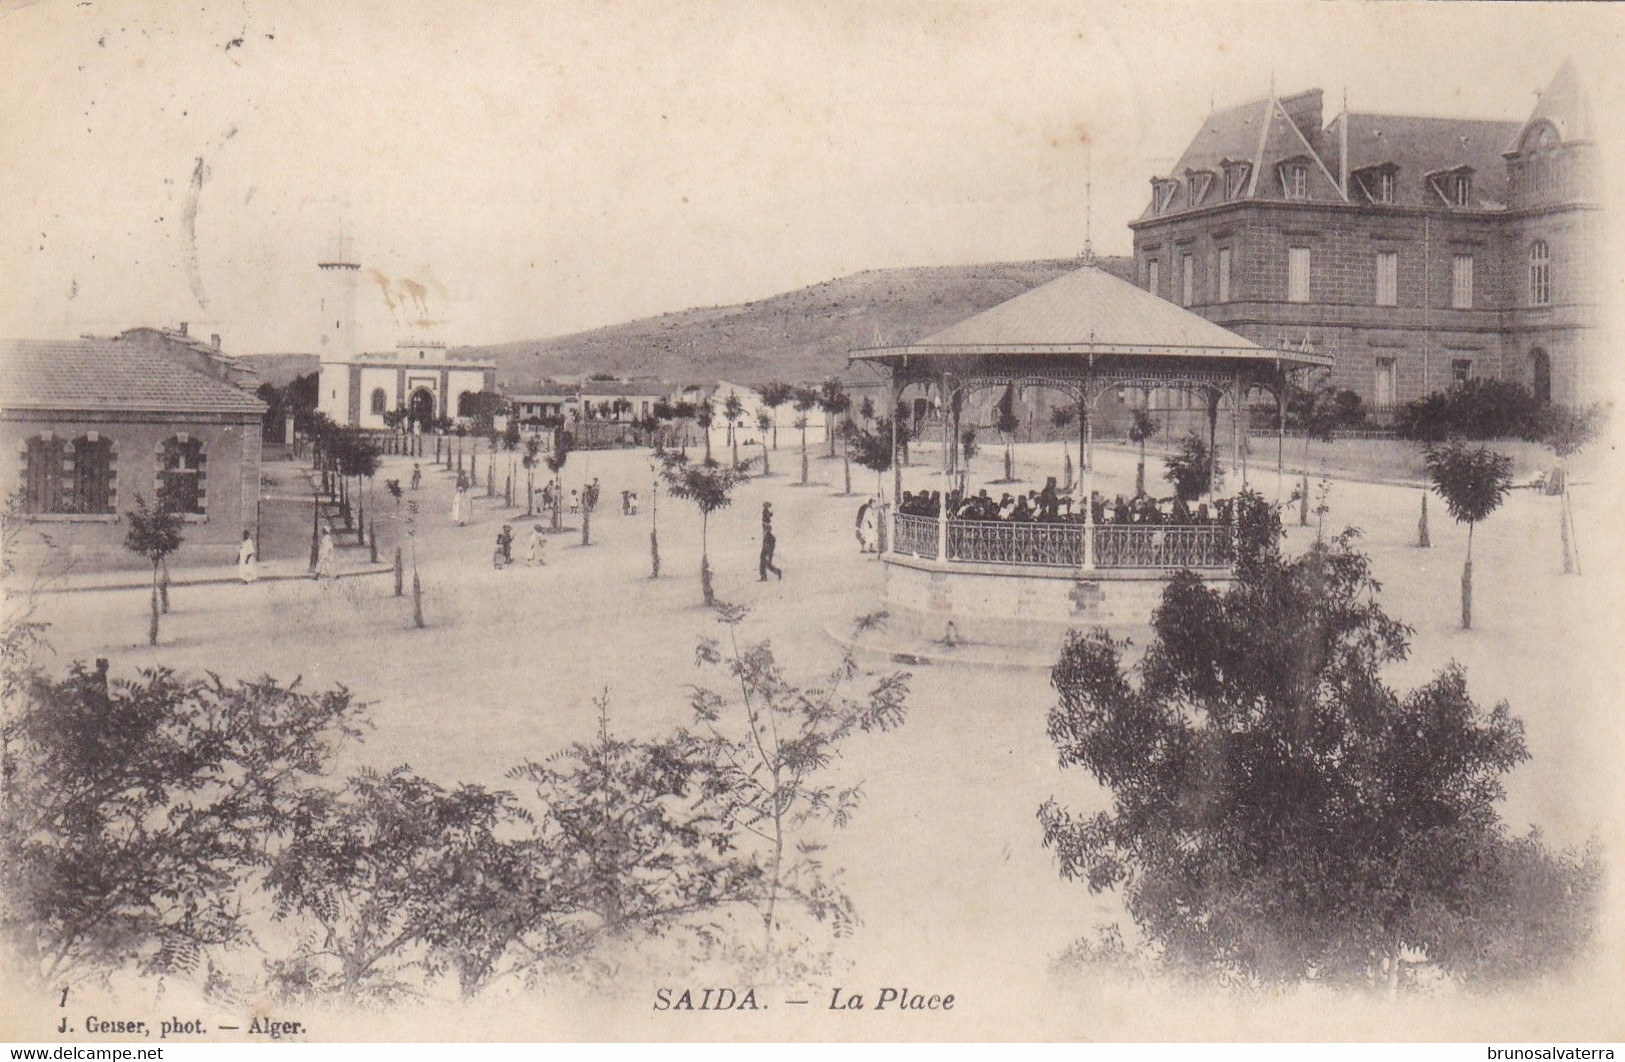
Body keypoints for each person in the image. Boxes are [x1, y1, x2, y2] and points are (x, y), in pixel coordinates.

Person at [759, 501, 783, 580]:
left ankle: (767, 575)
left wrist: (766, 545)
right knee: (765, 561)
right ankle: (767, 574)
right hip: (768, 545)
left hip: (768, 546)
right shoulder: (767, 527)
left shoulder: (767, 528)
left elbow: (768, 538)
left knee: (765, 561)